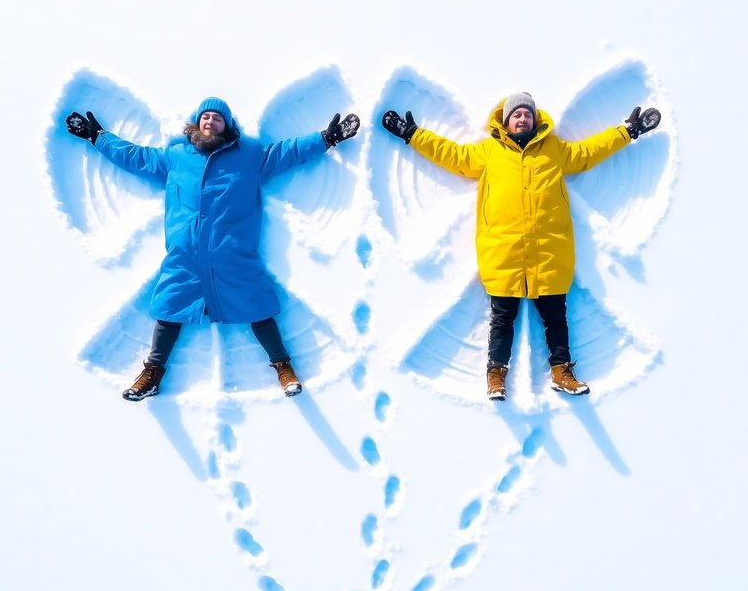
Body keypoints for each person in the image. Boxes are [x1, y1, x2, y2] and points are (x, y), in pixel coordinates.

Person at [66, 98, 360, 401]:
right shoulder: (176, 156)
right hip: (185, 254)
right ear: (196, 122)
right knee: (169, 308)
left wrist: (327, 138)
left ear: (227, 126)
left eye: (217, 118)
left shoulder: (249, 155)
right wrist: (97, 137)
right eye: (205, 116)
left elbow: (287, 152)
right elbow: (135, 157)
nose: (210, 121)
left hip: (232, 252)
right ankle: (152, 373)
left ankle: (283, 366)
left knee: (258, 306)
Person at [382, 92, 660, 401]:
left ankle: (561, 372)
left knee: (556, 317)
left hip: (549, 251)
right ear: (506, 120)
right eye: (516, 114)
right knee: (502, 319)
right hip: (504, 252)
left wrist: (626, 132)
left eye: (527, 113)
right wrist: (413, 134)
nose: (522, 118)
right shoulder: (490, 151)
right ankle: (496, 375)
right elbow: (454, 157)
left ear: (535, 119)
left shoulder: (554, 149)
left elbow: (588, 152)